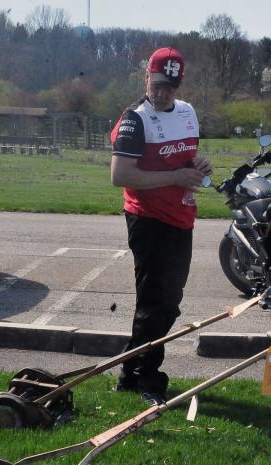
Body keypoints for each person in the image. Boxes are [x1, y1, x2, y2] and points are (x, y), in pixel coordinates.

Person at [110, 46, 213, 404]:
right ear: (146, 79)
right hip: (148, 219)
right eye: (157, 84)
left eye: (169, 85)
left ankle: (130, 370)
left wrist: (198, 166)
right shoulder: (133, 119)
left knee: (168, 302)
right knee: (156, 302)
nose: (162, 92)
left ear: (179, 85)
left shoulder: (187, 113)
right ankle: (143, 377)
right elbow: (120, 174)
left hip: (181, 218)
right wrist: (176, 175)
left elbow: (187, 159)